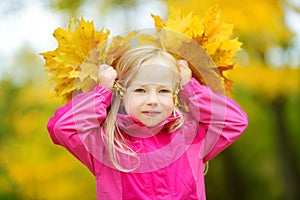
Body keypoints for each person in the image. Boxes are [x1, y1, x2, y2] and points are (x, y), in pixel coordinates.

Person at [47, 46, 248, 199]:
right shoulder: (107, 143)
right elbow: (62, 127)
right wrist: (103, 92)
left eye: (163, 91)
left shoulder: (190, 137)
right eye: (140, 90)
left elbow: (235, 120)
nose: (153, 100)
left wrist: (190, 88)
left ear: (175, 94)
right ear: (121, 94)